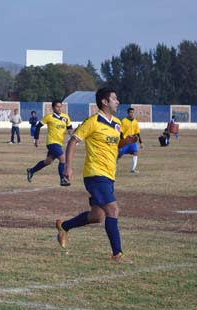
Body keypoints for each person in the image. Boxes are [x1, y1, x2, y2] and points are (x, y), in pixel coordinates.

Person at [57, 88, 131, 264]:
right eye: (114, 99)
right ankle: (117, 254)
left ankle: (64, 226)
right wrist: (68, 167)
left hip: (109, 175)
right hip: (95, 174)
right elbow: (73, 141)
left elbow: (115, 144)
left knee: (97, 216)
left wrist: (125, 142)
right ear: (104, 102)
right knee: (113, 210)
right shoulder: (93, 121)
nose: (118, 101)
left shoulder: (117, 123)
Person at [26, 100, 72, 187]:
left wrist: (73, 137)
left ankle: (31, 170)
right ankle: (62, 179)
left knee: (48, 161)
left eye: (60, 106)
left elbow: (69, 128)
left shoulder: (66, 117)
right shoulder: (49, 117)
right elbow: (38, 126)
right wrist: (36, 138)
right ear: (53, 108)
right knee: (63, 159)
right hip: (52, 143)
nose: (59, 108)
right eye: (57, 106)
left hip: (59, 143)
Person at [118, 107, 143, 173]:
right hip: (125, 141)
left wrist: (141, 142)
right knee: (119, 155)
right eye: (130, 112)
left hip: (132, 141)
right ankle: (112, 166)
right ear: (128, 113)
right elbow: (121, 132)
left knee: (135, 152)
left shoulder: (135, 122)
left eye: (132, 112)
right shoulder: (124, 121)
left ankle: (133, 169)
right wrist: (122, 140)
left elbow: (137, 133)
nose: (132, 114)